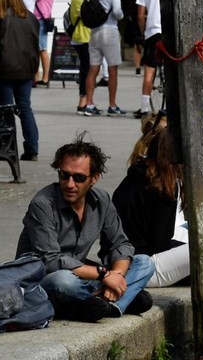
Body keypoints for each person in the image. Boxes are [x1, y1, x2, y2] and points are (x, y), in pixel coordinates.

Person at [16, 138, 154, 322]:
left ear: (94, 178)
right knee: (63, 281)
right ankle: (118, 299)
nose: (70, 184)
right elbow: (50, 261)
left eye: (79, 178)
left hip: (83, 275)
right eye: (64, 175)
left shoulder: (101, 200)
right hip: (44, 280)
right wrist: (104, 275)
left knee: (145, 263)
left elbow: (120, 244)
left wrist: (117, 276)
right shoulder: (42, 205)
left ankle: (107, 305)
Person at [112, 115, 190, 287]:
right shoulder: (161, 187)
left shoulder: (137, 174)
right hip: (142, 266)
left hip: (122, 261)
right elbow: (159, 244)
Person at [0, 0, 41, 162]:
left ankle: (7, 148)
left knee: (5, 110)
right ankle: (32, 147)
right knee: (25, 108)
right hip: (26, 69)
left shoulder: (2, 17)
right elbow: (35, 45)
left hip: (4, 69)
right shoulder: (30, 17)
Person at [82, 0, 126, 117]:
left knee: (93, 68)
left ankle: (89, 104)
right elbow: (117, 12)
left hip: (94, 32)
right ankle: (112, 105)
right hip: (110, 31)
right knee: (113, 69)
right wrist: (122, 16)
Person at [134, 0, 162, 119]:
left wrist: (143, 32)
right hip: (169, 33)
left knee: (149, 72)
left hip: (152, 33)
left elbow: (140, 15)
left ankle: (144, 107)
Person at [66, 0, 94, 117]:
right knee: (86, 70)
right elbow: (88, 14)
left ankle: (88, 100)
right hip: (83, 37)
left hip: (85, 36)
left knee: (88, 69)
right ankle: (83, 101)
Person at [31, 0, 53, 87]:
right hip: (36, 19)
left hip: (41, 19)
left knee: (42, 48)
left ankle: (45, 77)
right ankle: (37, 76)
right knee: (36, 48)